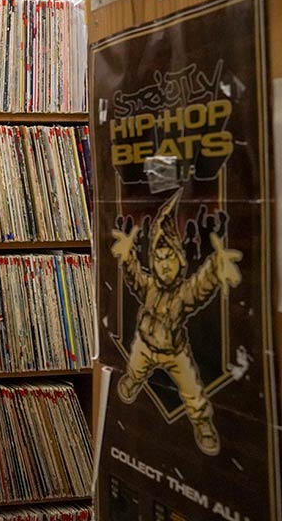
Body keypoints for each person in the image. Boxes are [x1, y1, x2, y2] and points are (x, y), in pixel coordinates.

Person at [110, 190, 242, 456]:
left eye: (169, 259)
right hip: (145, 344)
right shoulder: (149, 287)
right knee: (135, 369)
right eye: (159, 260)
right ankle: (133, 381)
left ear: (180, 261)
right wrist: (127, 257)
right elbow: (135, 277)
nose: (164, 266)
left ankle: (203, 423)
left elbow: (199, 288)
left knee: (192, 390)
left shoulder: (182, 294)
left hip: (174, 351)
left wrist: (216, 266)